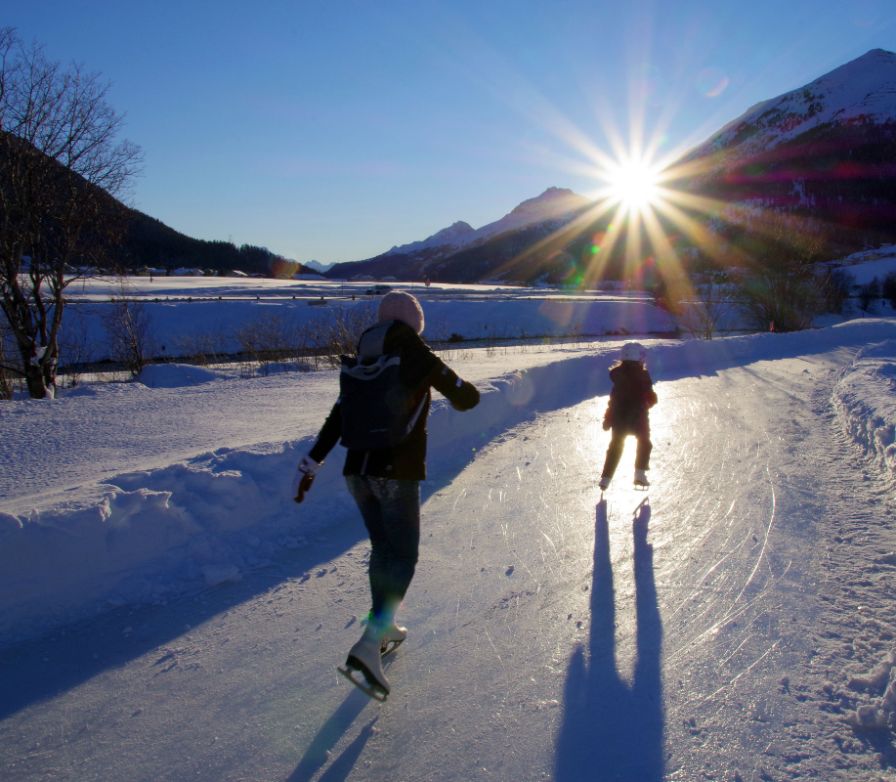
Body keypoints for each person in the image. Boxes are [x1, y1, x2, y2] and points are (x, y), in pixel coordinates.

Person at [293, 290, 480, 698]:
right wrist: (455, 385)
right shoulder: (415, 352)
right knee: (404, 555)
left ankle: (385, 625)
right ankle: (370, 640)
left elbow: (338, 417)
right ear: (415, 325)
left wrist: (312, 462)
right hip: (396, 473)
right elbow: (467, 398)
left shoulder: (364, 358)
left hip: (356, 472)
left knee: (383, 550)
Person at [598, 342, 657, 490]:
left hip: (619, 419)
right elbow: (650, 398)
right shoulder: (643, 375)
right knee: (644, 443)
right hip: (639, 419)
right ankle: (639, 474)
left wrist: (608, 419)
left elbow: (613, 401)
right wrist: (649, 402)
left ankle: (605, 479)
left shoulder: (618, 378)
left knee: (615, 447)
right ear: (638, 358)